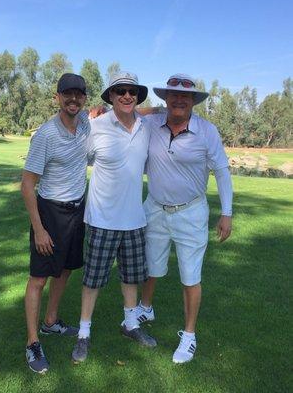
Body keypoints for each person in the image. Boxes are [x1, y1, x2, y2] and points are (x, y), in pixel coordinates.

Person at [137, 74, 233, 363]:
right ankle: (145, 306)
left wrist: (226, 212)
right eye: (173, 96)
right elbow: (125, 112)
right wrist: (150, 110)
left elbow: (222, 172)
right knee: (151, 264)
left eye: (185, 97)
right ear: (165, 99)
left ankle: (189, 335)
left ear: (193, 101)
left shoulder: (207, 131)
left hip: (190, 212)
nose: (179, 100)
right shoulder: (152, 123)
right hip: (154, 207)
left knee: (190, 276)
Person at [71, 71, 157, 364]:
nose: (127, 96)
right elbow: (80, 158)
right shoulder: (96, 127)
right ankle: (83, 333)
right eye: (120, 91)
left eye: (132, 91)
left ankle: (130, 324)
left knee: (132, 277)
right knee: (93, 280)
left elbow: (161, 112)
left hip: (134, 219)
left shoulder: (146, 127)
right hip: (101, 219)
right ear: (110, 96)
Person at [21, 73, 89, 373]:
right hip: (50, 212)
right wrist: (39, 229)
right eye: (67, 94)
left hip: (77, 211)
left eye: (78, 94)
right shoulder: (46, 135)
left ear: (84, 98)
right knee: (39, 277)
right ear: (57, 97)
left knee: (64, 270)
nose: (73, 99)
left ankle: (50, 322)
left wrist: (163, 109)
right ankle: (32, 341)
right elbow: (27, 184)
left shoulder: (86, 123)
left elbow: (126, 110)